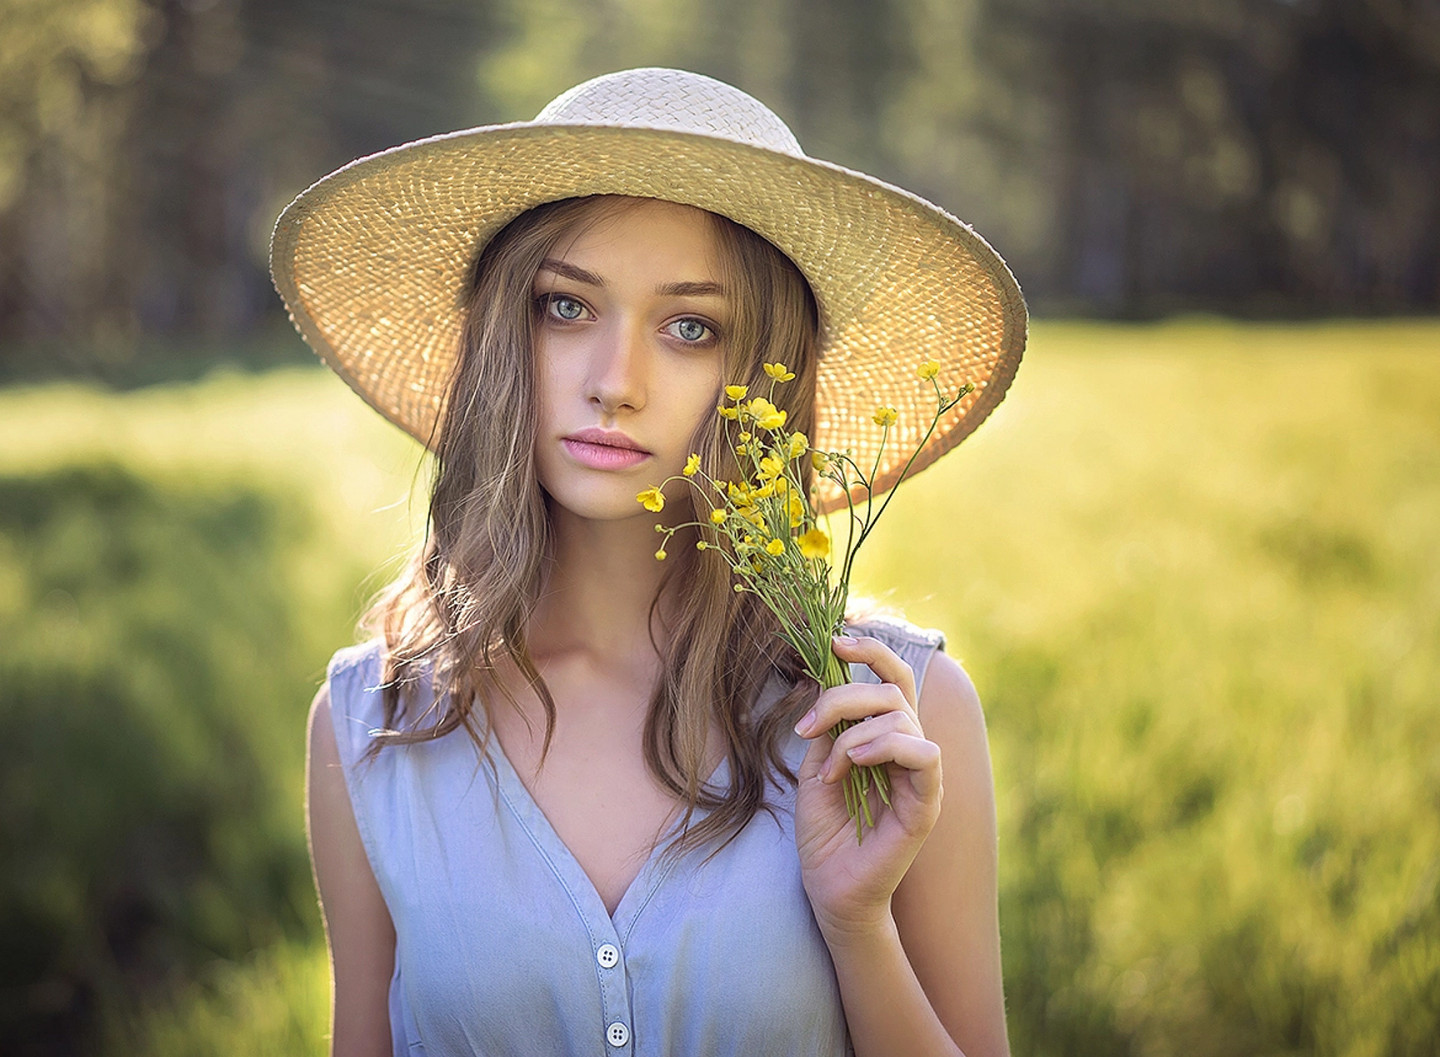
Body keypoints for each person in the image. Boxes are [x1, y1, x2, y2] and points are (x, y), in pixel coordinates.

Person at [275, 68, 1026, 1057]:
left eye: (689, 328)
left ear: (759, 371)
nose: (615, 384)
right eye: (566, 308)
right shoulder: (374, 727)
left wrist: (856, 924)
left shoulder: (889, 718)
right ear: (506, 331)